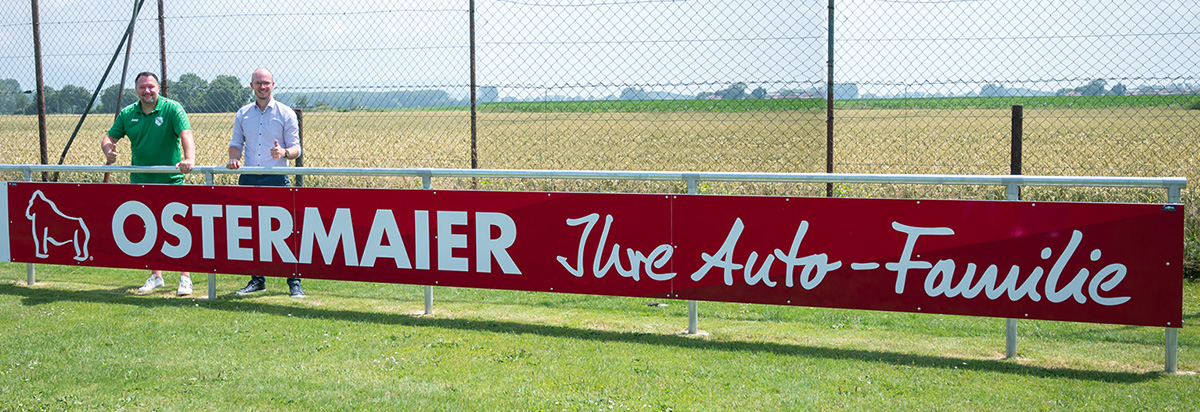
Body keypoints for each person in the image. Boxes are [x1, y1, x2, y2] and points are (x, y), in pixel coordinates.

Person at [101, 71, 196, 296]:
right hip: (142, 182)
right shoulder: (127, 113)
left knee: (179, 231)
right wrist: (108, 151)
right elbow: (108, 138)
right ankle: (156, 276)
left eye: (151, 86)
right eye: (142, 87)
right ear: (136, 90)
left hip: (171, 181)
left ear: (159, 87)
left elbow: (186, 134)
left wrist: (189, 159)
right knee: (148, 230)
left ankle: (185, 277)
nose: (147, 91)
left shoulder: (172, 108)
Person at [227, 67, 305, 298]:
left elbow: (296, 149)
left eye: (266, 83)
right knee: (251, 231)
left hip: (276, 178)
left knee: (286, 230)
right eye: (258, 83)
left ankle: (294, 282)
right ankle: (257, 280)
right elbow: (236, 143)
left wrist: (283, 152)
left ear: (273, 85)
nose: (262, 86)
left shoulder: (286, 113)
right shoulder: (243, 114)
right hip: (249, 178)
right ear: (251, 86)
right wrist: (233, 157)